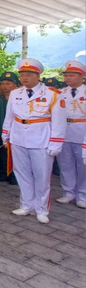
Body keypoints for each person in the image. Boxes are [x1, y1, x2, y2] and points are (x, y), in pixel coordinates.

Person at [2, 58, 66, 224]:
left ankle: (42, 208)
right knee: (21, 173)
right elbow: (9, 116)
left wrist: (55, 143)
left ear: (38, 75)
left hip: (41, 139)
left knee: (42, 176)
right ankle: (26, 205)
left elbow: (59, 122)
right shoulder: (16, 93)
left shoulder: (52, 95)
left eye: (29, 74)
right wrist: (5, 134)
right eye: (22, 74)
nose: (25, 78)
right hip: (18, 138)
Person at [56, 60, 86, 208]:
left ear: (82, 76)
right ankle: (68, 192)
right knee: (65, 163)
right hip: (64, 131)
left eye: (72, 75)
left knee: (83, 165)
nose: (68, 78)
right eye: (66, 75)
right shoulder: (61, 93)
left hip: (82, 131)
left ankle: (82, 194)